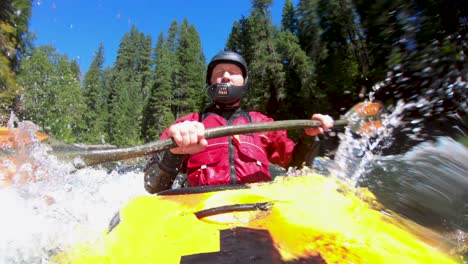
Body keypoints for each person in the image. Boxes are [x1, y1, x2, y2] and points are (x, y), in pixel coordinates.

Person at [144, 50, 334, 194]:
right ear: (210, 82)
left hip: (258, 207)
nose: (225, 76)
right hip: (200, 207)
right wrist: (174, 153)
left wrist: (309, 138)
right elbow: (152, 187)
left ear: (244, 82)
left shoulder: (262, 123)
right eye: (219, 72)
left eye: (233, 72)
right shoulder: (188, 124)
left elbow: (297, 170)